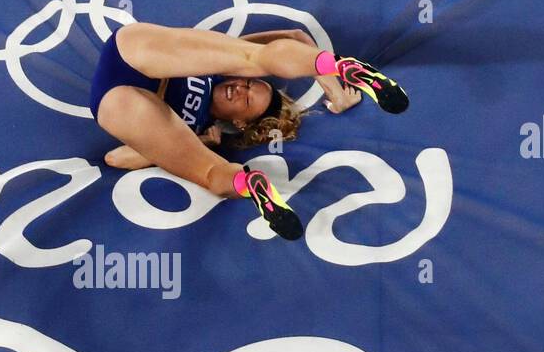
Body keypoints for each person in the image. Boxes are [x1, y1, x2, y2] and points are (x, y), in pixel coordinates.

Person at [89, 22, 408, 239]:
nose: (240, 88)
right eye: (248, 85)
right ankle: (341, 65)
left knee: (212, 173)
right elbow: (295, 37)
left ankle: (251, 183)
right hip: (132, 54)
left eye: (245, 100)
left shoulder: (197, 129)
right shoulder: (217, 70)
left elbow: (117, 158)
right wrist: (336, 92)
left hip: (117, 101)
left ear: (239, 123)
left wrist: (198, 139)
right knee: (253, 58)